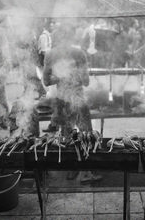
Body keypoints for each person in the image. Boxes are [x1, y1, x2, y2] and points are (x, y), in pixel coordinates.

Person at [43, 23, 101, 183]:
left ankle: (71, 169)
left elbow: (46, 81)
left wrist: (61, 77)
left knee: (67, 136)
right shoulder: (78, 53)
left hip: (61, 101)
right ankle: (87, 171)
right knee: (86, 135)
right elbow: (86, 82)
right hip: (78, 100)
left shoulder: (50, 55)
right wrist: (74, 76)